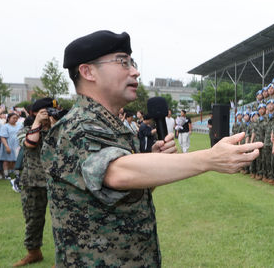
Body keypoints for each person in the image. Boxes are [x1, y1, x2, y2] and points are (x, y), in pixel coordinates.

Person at [41, 30, 262, 266]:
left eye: (132, 62)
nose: (135, 71)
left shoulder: (113, 126)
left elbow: (126, 193)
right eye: (123, 62)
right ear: (87, 71)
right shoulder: (76, 127)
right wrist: (209, 158)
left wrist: (151, 162)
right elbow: (117, 173)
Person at [12, 98, 56, 266]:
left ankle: (63, 257)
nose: (48, 114)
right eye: (45, 111)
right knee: (33, 219)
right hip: (33, 182)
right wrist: (37, 122)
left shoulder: (57, 129)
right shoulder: (25, 129)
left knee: (62, 220)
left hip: (55, 181)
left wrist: (54, 124)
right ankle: (34, 252)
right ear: (35, 112)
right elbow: (30, 143)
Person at [0, 112, 22, 178]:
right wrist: (6, 146)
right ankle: (6, 174)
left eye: (16, 118)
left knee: (16, 160)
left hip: (17, 145)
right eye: (13, 118)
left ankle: (17, 173)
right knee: (6, 160)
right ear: (8, 118)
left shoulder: (19, 125)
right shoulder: (5, 126)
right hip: (8, 145)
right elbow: (2, 137)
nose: (15, 119)